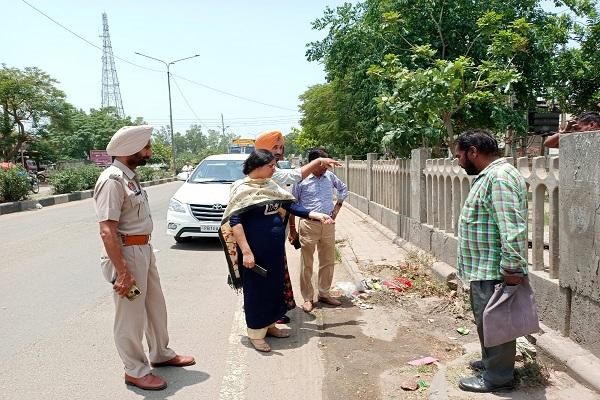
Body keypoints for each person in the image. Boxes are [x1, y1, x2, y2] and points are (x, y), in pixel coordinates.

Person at [94, 125, 195, 391]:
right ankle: (135, 370)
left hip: (143, 250)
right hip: (126, 253)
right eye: (147, 147)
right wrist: (123, 271)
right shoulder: (112, 180)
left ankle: (160, 353)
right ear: (130, 150)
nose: (149, 151)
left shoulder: (130, 177)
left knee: (154, 307)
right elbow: (107, 230)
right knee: (130, 316)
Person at [219, 149, 334, 352]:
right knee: (256, 292)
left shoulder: (272, 186)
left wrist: (313, 214)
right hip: (254, 252)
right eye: (271, 166)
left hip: (274, 250)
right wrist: (246, 252)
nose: (274, 169)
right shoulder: (241, 188)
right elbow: (235, 222)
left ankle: (270, 325)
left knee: (274, 288)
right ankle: (256, 334)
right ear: (258, 166)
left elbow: (291, 207)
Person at [454, 129, 528, 393]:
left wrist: (511, 268)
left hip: (494, 269)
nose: (459, 162)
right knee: (487, 322)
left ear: (473, 152)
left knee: (496, 324)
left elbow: (512, 227)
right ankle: (492, 363)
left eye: (459, 156)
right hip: (483, 267)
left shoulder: (498, 177)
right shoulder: (491, 176)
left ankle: (499, 378)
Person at [254, 130, 341, 323]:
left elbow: (288, 204)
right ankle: (263, 321)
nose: (278, 151)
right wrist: (318, 162)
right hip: (260, 235)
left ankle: (273, 315)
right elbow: (295, 177)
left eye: (280, 147)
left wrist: (312, 214)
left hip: (275, 233)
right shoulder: (262, 173)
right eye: (273, 147)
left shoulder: (272, 171)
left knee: (275, 273)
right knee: (263, 276)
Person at [289, 147, 348, 312]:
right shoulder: (300, 180)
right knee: (306, 263)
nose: (326, 167)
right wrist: (292, 229)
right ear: (313, 163)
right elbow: (291, 205)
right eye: (324, 164)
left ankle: (324, 293)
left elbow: (343, 188)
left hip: (328, 225)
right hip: (308, 225)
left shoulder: (330, 176)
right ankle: (307, 298)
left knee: (328, 261)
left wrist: (337, 207)